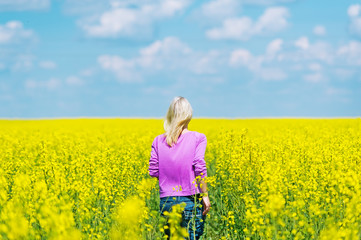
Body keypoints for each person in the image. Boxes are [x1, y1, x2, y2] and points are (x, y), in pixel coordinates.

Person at [149, 96, 211, 240]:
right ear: (188, 115)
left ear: (170, 114)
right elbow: (199, 166)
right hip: (190, 199)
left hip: (167, 200)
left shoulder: (158, 140)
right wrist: (205, 195)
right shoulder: (198, 138)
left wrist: (168, 175)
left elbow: (153, 171)